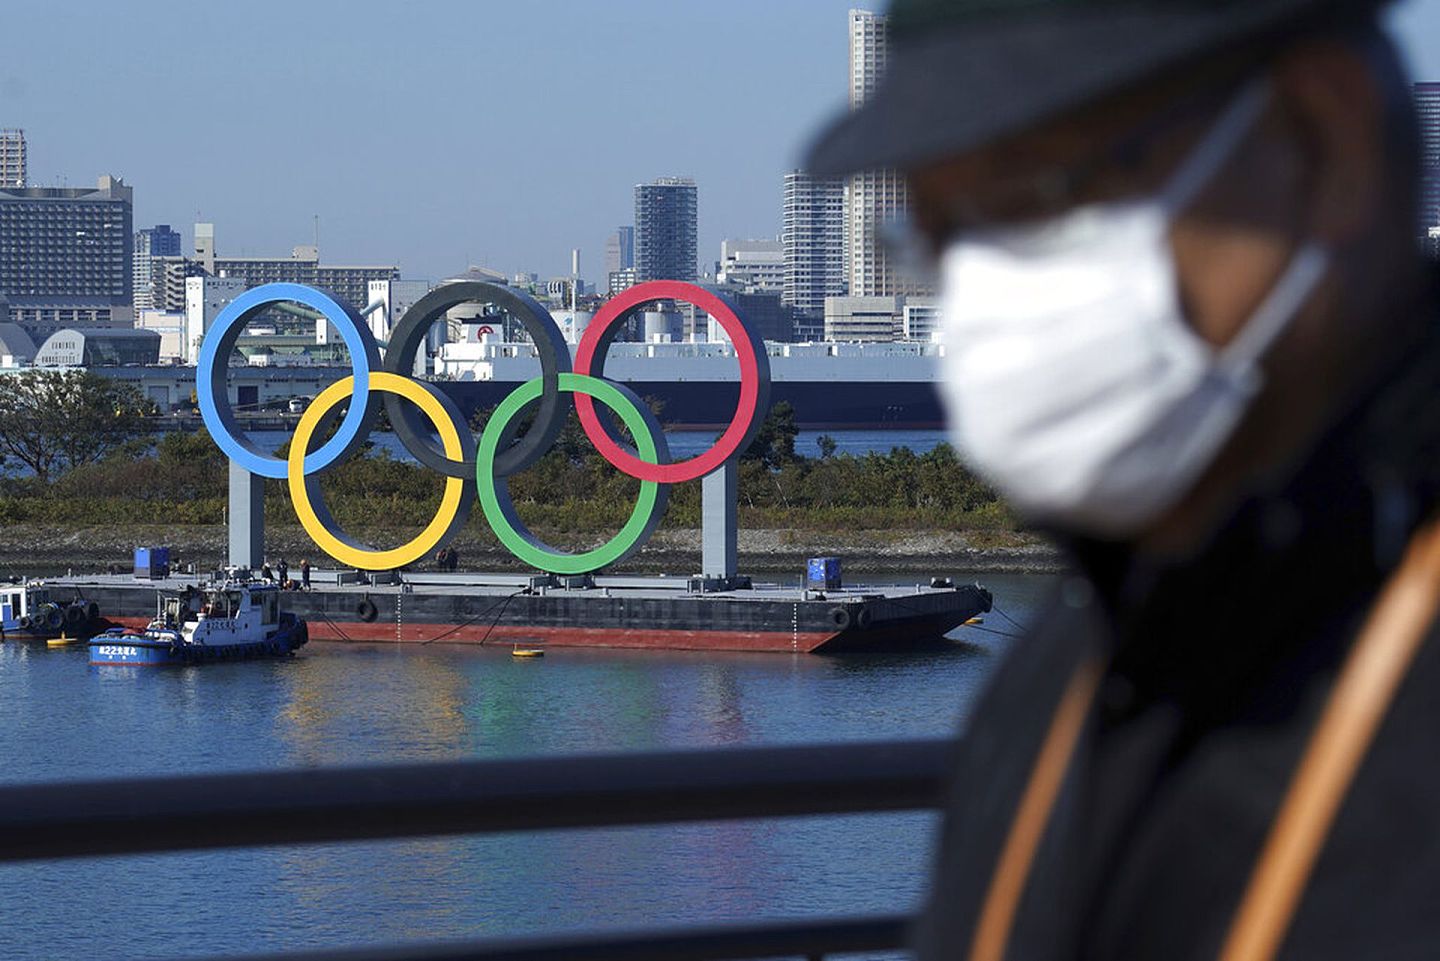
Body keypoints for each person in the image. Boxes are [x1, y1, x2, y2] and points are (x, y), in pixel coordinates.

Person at [806, 0, 1440, 958]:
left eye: (1034, 194)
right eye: (941, 231)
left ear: (1325, 142)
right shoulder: (1060, 677)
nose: (986, 290)